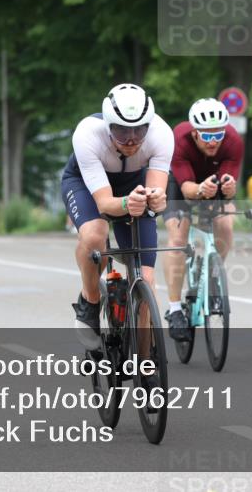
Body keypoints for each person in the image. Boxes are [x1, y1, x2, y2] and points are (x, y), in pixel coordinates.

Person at [62, 84, 172, 349]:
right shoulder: (87, 134)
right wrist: (127, 202)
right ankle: (89, 300)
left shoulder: (162, 134)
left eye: (139, 130)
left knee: (145, 278)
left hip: (134, 184)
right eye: (122, 131)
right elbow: (105, 203)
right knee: (94, 235)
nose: (132, 139)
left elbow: (156, 191)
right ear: (108, 126)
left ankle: (145, 363)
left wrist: (156, 199)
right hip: (88, 186)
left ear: (149, 125)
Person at [162, 98, 244, 342]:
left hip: (213, 183)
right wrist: (200, 190)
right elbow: (187, 188)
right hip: (181, 184)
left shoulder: (233, 141)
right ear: (195, 133)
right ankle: (175, 309)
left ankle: (213, 276)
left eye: (217, 135)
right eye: (207, 137)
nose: (213, 142)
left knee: (226, 224)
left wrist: (228, 189)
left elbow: (229, 188)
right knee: (177, 238)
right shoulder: (179, 138)